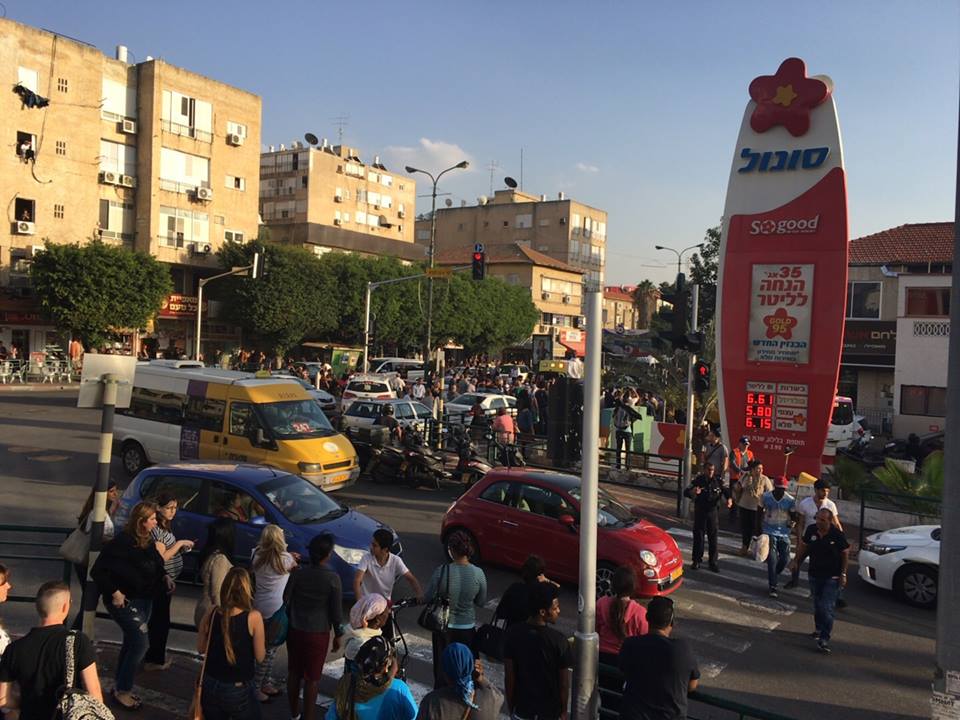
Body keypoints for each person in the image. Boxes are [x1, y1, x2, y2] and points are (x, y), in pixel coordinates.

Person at [91, 501, 169, 710]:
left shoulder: (147, 540)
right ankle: (123, 689)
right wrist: (115, 592)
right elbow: (98, 571)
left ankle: (120, 684)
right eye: (152, 519)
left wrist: (165, 576)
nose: (156, 522)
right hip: (126, 600)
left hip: (145, 598)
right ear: (141, 522)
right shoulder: (122, 542)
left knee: (132, 642)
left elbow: (157, 562)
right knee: (140, 643)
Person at [0, 582, 103, 719]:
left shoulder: (14, 649)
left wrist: (25, 704)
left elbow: (3, 699)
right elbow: (94, 692)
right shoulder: (78, 641)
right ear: (65, 607)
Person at [285, 533, 344, 720]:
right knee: (312, 679)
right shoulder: (332, 578)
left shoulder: (298, 574)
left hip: (295, 629)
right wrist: (338, 635)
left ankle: (294, 714)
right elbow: (336, 613)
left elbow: (286, 599)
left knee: (294, 673)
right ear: (327, 555)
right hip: (318, 633)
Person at [197, 567, 267, 720]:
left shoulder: (212, 612)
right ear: (247, 590)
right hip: (237, 686)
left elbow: (201, 648)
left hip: (210, 682)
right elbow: (260, 657)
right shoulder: (253, 617)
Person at [618, 597, 700, 720]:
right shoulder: (683, 649)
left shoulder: (630, 644)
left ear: (647, 618)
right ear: (671, 622)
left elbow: (624, 670)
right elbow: (692, 685)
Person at [426, 531, 487, 688]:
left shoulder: (442, 571)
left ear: (452, 550)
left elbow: (428, 596)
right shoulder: (478, 573)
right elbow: (481, 601)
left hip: (443, 628)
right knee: (467, 668)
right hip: (467, 629)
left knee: (442, 668)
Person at [503, 581, 572, 720]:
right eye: (555, 608)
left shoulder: (512, 634)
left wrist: (511, 707)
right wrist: (564, 711)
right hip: (549, 712)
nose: (558, 611)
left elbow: (509, 676)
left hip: (522, 709)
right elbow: (564, 684)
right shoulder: (559, 640)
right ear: (542, 612)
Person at [145, 493, 195, 671]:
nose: (173, 511)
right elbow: (161, 557)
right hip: (160, 581)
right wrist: (179, 544)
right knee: (160, 621)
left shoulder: (165, 526)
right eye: (169, 508)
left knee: (160, 619)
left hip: (166, 578)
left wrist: (179, 550)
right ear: (159, 508)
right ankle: (154, 659)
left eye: (175, 508)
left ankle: (154, 656)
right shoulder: (157, 529)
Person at [791, 508, 850, 654]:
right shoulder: (811, 530)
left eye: (822, 520)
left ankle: (824, 638)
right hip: (814, 574)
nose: (818, 522)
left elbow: (845, 553)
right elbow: (804, 547)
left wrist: (843, 574)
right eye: (817, 518)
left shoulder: (837, 535)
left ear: (830, 521)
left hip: (832, 577)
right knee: (817, 604)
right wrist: (796, 561)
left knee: (826, 607)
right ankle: (818, 628)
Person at [250, 524, 297, 702]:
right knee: (270, 650)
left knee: (259, 648)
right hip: (276, 610)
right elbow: (293, 566)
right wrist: (290, 555)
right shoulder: (286, 559)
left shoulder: (255, 555)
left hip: (257, 607)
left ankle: (264, 682)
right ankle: (257, 687)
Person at [326, 636, 417, 720]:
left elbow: (331, 717)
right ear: (385, 667)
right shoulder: (398, 688)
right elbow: (415, 716)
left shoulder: (347, 684)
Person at [416, 643, 503, 720]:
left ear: (444, 673)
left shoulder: (432, 703)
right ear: (471, 666)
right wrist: (481, 678)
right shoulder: (490, 698)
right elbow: (499, 695)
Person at [787, 478, 842, 591]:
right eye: (823, 491)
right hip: (808, 537)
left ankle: (829, 589)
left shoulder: (830, 505)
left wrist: (841, 537)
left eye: (827, 491)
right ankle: (794, 581)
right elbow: (800, 523)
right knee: (798, 559)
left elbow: (836, 523)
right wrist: (799, 539)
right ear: (816, 490)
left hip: (824, 538)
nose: (825, 493)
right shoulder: (805, 503)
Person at [684, 463, 731, 572]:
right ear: (704, 470)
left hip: (712, 512)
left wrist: (729, 499)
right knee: (699, 537)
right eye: (709, 469)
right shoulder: (698, 480)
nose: (711, 472)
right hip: (700, 511)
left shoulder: (718, 481)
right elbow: (686, 492)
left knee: (713, 538)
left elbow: (726, 491)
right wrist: (693, 492)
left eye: (712, 470)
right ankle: (696, 560)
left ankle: (713, 562)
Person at [354, 529, 422, 603]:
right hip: (367, 601)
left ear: (384, 549)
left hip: (384, 603)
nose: (371, 547)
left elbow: (411, 578)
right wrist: (359, 602)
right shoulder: (366, 558)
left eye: (374, 545)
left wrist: (419, 594)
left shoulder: (396, 561)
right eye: (372, 544)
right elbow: (357, 580)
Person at [496, 554, 559, 628]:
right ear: (541, 575)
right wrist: (547, 580)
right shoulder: (543, 593)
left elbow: (500, 612)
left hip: (512, 629)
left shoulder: (515, 588)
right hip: (535, 631)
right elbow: (557, 588)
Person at [195, 518, 236, 628]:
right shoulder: (220, 559)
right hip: (212, 612)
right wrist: (223, 616)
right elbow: (217, 591)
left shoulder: (211, 553)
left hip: (205, 607)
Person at [762, 476, 797, 598]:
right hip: (768, 531)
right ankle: (773, 586)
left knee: (785, 559)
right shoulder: (766, 497)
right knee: (772, 559)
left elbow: (793, 515)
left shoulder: (790, 500)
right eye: (778, 488)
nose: (781, 491)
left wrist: (793, 522)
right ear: (774, 487)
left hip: (784, 532)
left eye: (783, 489)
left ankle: (774, 574)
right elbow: (759, 511)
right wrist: (758, 532)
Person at [735, 461, 773, 556]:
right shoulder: (746, 476)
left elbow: (770, 493)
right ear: (752, 469)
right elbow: (738, 487)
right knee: (745, 528)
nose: (760, 470)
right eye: (758, 468)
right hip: (744, 506)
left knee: (757, 529)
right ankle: (745, 547)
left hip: (758, 509)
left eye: (761, 468)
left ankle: (759, 550)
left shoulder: (764, 479)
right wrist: (745, 484)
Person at [343, 594, 390, 662]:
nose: (388, 613)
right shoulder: (362, 643)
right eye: (386, 612)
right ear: (377, 620)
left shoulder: (357, 633)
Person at [729, 436, 754, 518]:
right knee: (734, 497)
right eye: (744, 444)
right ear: (740, 444)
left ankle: (741, 515)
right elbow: (732, 464)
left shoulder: (750, 453)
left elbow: (752, 465)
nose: (746, 446)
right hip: (735, 478)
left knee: (743, 497)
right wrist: (740, 471)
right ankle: (733, 516)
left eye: (747, 444)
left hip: (745, 479)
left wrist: (749, 472)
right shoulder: (734, 452)